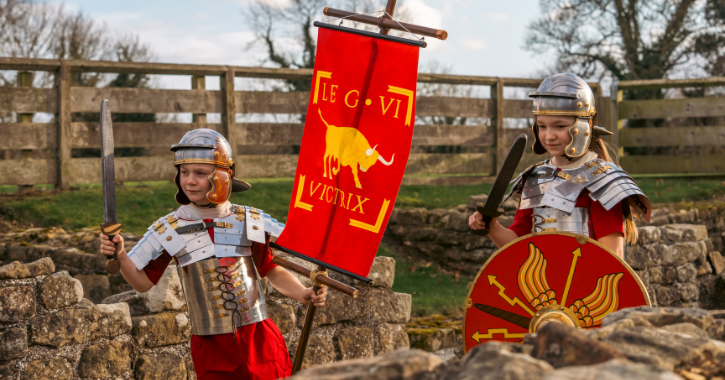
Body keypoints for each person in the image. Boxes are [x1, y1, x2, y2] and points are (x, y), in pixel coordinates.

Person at [100, 129, 327, 380]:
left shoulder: (248, 220)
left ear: (223, 175)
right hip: (211, 346)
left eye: (200, 173)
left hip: (259, 340)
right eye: (184, 172)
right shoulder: (169, 228)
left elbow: (272, 270)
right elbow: (142, 283)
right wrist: (121, 254)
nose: (190, 181)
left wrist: (303, 293)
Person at [469, 73, 651, 258]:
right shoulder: (535, 178)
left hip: (586, 284)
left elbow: (613, 259)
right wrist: (492, 227)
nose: (549, 136)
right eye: (542, 126)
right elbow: (519, 246)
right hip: (543, 285)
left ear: (586, 124)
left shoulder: (601, 181)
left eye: (559, 126)